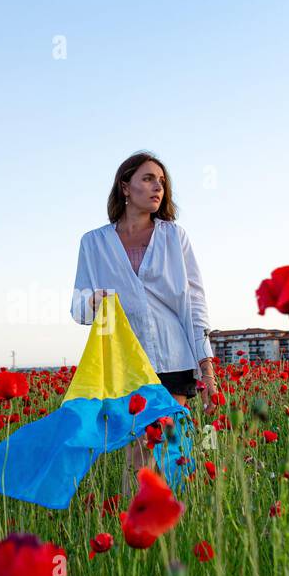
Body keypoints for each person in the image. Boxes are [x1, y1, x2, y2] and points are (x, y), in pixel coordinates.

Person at [70, 150, 218, 494]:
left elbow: (195, 303)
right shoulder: (93, 243)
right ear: (125, 186)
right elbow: (78, 308)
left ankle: (175, 530)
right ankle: (134, 534)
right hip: (128, 364)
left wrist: (206, 367)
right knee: (138, 457)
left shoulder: (174, 237)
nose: (158, 188)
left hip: (174, 358)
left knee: (170, 453)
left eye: (162, 182)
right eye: (148, 179)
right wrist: (95, 300)